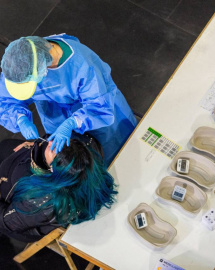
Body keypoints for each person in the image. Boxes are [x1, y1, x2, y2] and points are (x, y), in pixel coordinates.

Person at [0, 34, 137, 166]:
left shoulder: (82, 66)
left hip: (97, 115)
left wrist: (72, 122)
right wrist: (19, 118)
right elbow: (5, 98)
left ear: (42, 68)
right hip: (54, 115)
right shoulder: (20, 64)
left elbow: (99, 106)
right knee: (71, 158)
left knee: (116, 151)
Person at [0, 133, 117, 242]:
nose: (50, 142)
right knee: (5, 145)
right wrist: (35, 145)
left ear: (52, 169)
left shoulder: (40, 202)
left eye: (53, 150)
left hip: (19, 221)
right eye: (60, 141)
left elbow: (7, 223)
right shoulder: (85, 160)